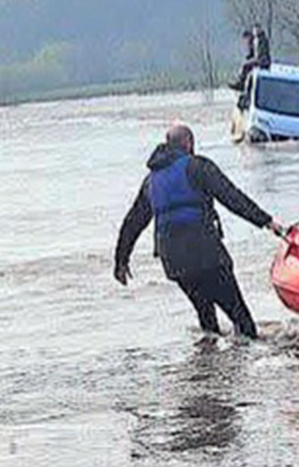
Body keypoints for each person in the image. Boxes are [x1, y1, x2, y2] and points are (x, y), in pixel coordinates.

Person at [114, 124, 285, 338]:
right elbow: (232, 197)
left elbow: (133, 222)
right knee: (242, 320)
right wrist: (266, 221)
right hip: (206, 255)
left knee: (206, 317)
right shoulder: (197, 167)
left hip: (175, 263)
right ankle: (243, 366)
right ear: (189, 143)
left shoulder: (151, 181)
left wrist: (121, 261)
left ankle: (208, 368)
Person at [228, 24, 272, 92]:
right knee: (246, 64)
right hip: (258, 59)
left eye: (257, 30)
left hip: (263, 61)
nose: (255, 32)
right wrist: (250, 56)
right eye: (254, 30)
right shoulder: (255, 40)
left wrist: (256, 58)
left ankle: (241, 83)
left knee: (246, 66)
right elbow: (253, 52)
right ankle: (242, 81)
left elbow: (262, 53)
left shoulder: (263, 40)